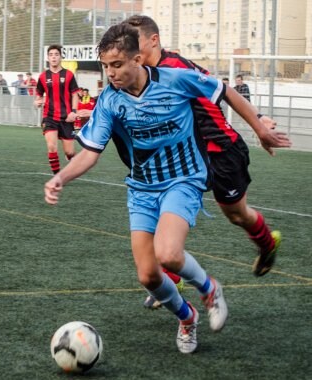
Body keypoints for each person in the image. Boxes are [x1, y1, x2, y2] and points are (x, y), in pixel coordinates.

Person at [44, 23, 230, 354]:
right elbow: (89, 153)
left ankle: (209, 288)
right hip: (142, 189)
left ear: (138, 58)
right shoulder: (110, 101)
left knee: (169, 254)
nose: (110, 73)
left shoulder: (174, 79)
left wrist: (259, 125)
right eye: (105, 66)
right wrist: (62, 178)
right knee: (148, 276)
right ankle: (187, 319)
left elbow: (221, 89)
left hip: (183, 178)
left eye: (116, 65)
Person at [124, 15, 291, 308]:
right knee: (168, 207)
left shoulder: (174, 67)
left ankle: (267, 242)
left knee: (237, 214)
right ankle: (168, 277)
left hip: (221, 150)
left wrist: (259, 124)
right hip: (186, 155)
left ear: (153, 40)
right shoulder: (141, 75)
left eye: (133, 43)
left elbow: (222, 88)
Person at [35, 44, 80, 174]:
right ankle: (57, 176)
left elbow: (75, 94)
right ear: (48, 58)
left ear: (60, 57)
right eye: (51, 55)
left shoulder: (69, 75)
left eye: (56, 54)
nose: (53, 57)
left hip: (66, 118)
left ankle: (70, 157)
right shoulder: (43, 76)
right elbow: (38, 93)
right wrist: (37, 101)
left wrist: (74, 112)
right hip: (49, 116)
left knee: (70, 152)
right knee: (51, 146)